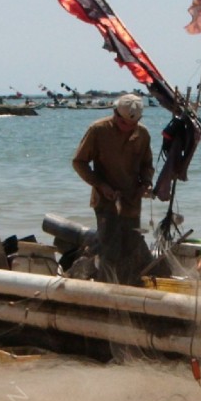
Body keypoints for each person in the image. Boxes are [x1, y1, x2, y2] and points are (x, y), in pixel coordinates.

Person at [72, 92, 155, 284]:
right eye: (124, 122)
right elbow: (79, 162)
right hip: (106, 202)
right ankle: (106, 294)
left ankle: (127, 291)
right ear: (115, 113)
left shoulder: (142, 134)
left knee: (131, 250)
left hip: (132, 202)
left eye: (132, 124)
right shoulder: (98, 130)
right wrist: (101, 185)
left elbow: (147, 165)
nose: (127, 128)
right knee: (110, 251)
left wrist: (146, 183)